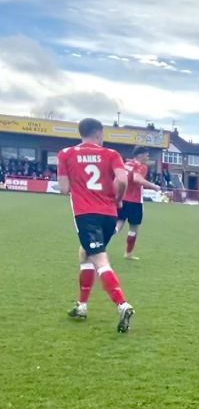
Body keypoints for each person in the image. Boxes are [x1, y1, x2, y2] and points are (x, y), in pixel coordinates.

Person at [58, 118, 136, 333]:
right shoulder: (112, 154)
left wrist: (78, 184)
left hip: (86, 215)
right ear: (99, 134)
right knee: (85, 254)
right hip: (109, 215)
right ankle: (81, 306)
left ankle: (122, 305)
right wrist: (118, 199)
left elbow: (64, 188)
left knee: (99, 260)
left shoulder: (66, 154)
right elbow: (122, 180)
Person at [115, 146, 161, 260]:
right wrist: (154, 186)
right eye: (147, 155)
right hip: (134, 201)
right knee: (134, 228)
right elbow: (137, 179)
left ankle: (100, 240)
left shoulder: (126, 164)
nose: (148, 157)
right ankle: (128, 253)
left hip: (122, 199)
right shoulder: (141, 166)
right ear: (140, 155)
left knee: (118, 225)